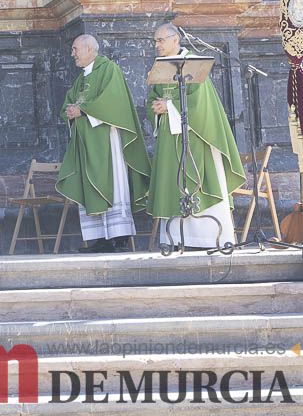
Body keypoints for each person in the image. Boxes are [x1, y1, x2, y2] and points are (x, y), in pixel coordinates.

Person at [147, 23, 244, 249]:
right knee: (174, 184)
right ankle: (179, 238)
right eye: (155, 41)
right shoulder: (160, 66)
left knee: (198, 181)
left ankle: (209, 238)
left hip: (195, 136)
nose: (156, 45)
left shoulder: (194, 63)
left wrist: (169, 106)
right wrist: (157, 106)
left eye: (160, 40)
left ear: (175, 39)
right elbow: (153, 96)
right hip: (170, 137)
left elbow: (199, 103)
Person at [56, 34, 150, 253]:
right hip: (87, 142)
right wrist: (70, 111)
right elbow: (71, 100)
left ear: (90, 49)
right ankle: (99, 237)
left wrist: (84, 111)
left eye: (75, 49)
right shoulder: (82, 79)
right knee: (90, 185)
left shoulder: (109, 70)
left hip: (107, 141)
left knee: (113, 182)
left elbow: (113, 103)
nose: (73, 54)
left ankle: (119, 237)